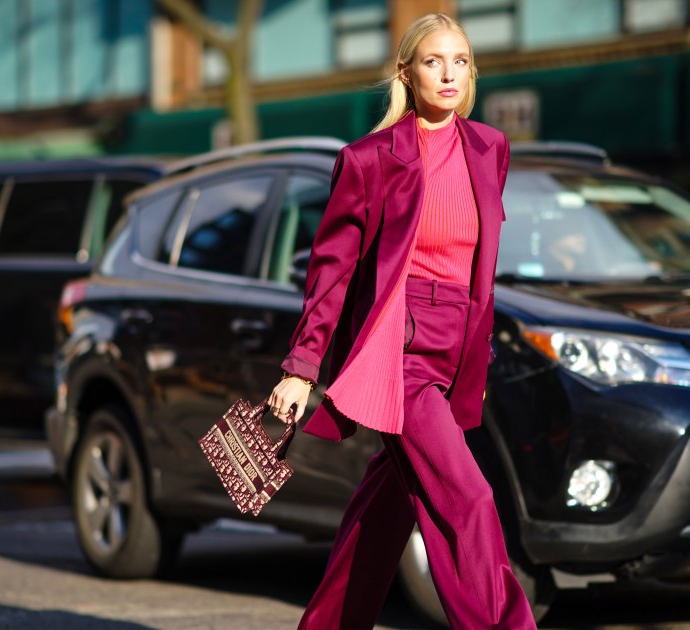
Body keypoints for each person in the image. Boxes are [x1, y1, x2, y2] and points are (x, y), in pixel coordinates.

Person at [267, 12, 536, 630]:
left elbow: (478, 265)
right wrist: (301, 368)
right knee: (468, 498)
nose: (449, 73)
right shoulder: (369, 160)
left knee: (387, 508)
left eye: (461, 61)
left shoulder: (490, 148)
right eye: (433, 61)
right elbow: (330, 272)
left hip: (456, 349)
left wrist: (477, 360)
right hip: (400, 350)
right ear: (407, 73)